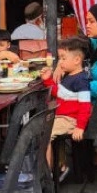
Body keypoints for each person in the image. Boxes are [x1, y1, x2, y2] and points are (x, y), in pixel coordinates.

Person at [40, 36, 92, 177]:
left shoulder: (81, 81)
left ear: (76, 60)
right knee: (43, 129)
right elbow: (59, 93)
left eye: (63, 58)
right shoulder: (69, 76)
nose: (60, 62)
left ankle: (46, 174)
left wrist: (80, 126)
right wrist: (48, 81)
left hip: (70, 119)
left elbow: (85, 106)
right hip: (62, 117)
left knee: (45, 135)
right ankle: (59, 166)